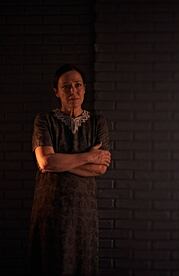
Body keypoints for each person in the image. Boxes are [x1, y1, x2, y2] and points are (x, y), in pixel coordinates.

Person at [29, 64, 111, 275]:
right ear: (56, 91)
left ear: (84, 89)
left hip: (84, 210)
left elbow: (100, 168)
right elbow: (46, 163)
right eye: (66, 87)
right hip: (50, 208)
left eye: (77, 85)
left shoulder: (97, 122)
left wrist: (61, 162)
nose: (73, 91)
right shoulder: (44, 121)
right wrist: (88, 157)